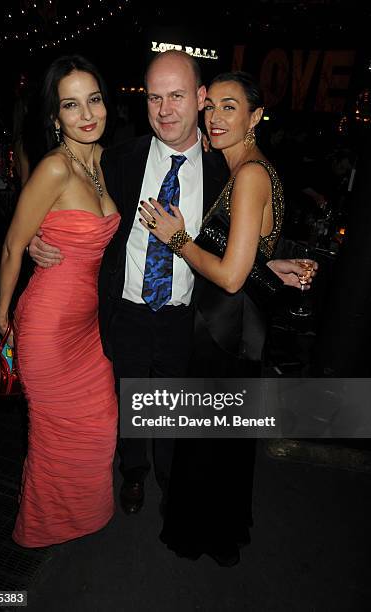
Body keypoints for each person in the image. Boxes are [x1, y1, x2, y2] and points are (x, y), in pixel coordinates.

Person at [29, 51, 315, 518]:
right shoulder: (118, 160)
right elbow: (68, 210)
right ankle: (134, 474)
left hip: (190, 317)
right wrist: (35, 242)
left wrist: (272, 263)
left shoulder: (226, 167)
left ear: (201, 98)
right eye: (155, 98)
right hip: (127, 309)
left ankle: (170, 481)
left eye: (177, 96)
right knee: (129, 404)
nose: (165, 110)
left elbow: (234, 243)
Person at [138, 71, 303, 566]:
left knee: (209, 441)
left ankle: (203, 534)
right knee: (220, 439)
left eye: (231, 107)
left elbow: (230, 275)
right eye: (213, 106)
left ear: (255, 117)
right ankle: (219, 532)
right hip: (236, 327)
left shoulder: (249, 175)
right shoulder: (247, 169)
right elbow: (246, 257)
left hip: (225, 329)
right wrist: (270, 266)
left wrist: (177, 240)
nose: (215, 117)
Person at [0, 55, 120, 547]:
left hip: (89, 330)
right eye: (71, 104)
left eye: (94, 99)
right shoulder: (53, 168)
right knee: (52, 438)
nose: (86, 113)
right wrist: (1, 317)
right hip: (46, 327)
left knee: (100, 426)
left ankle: (78, 516)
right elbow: (11, 244)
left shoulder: (107, 162)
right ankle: (43, 528)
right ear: (55, 115)